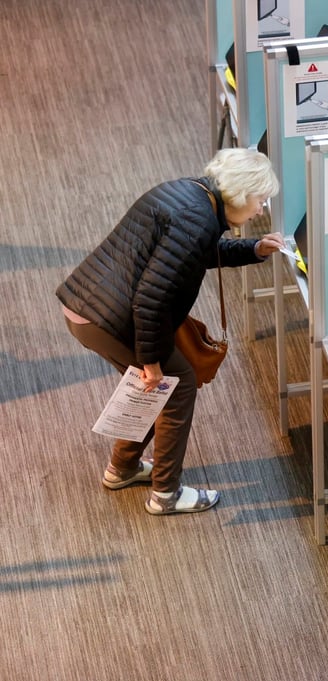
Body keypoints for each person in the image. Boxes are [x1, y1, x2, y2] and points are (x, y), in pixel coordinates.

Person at [56, 148, 284, 515]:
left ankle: (123, 468)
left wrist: (253, 249)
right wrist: (152, 363)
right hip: (109, 319)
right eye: (260, 200)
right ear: (240, 194)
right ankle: (166, 494)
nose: (260, 210)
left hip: (89, 306)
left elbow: (194, 253)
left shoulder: (192, 195)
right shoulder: (198, 220)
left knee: (153, 390)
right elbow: (151, 299)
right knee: (174, 387)